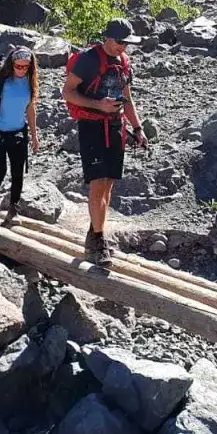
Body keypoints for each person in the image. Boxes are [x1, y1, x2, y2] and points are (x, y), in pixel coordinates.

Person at [62, 18, 148, 266]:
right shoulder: (88, 60)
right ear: (107, 38)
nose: (124, 47)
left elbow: (127, 98)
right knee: (98, 184)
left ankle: (96, 234)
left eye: (127, 43)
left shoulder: (122, 61)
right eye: (121, 42)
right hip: (92, 127)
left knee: (108, 185)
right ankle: (97, 241)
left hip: (115, 127)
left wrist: (137, 127)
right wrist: (98, 105)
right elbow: (67, 92)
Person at [0, 46, 39, 221]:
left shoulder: (30, 82)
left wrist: (34, 135)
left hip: (18, 132)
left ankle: (13, 209)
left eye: (25, 67)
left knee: (18, 172)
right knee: (0, 170)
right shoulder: (0, 80)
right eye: (18, 66)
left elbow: (30, 109)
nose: (22, 70)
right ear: (12, 64)